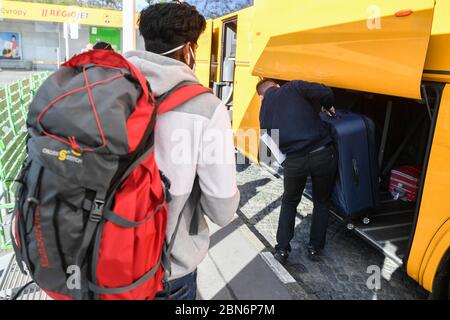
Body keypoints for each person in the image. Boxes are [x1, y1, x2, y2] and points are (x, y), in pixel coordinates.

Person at [124, 2, 240, 300]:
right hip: (165, 272)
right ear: (188, 49)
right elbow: (222, 211)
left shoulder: (105, 85)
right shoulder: (205, 108)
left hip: (100, 260)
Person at [258, 79, 338, 263]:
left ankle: (282, 250)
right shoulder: (293, 87)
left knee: (289, 202)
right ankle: (315, 249)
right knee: (322, 201)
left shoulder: (263, 112)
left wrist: (288, 162)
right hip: (321, 153)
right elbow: (326, 91)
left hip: (294, 160)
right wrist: (327, 107)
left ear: (261, 97)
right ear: (276, 85)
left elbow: (269, 146)